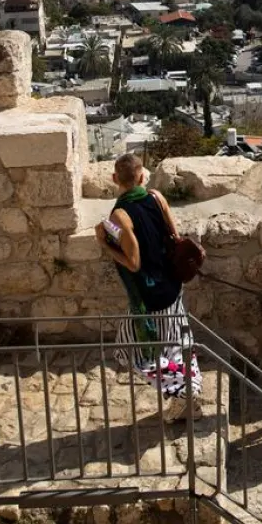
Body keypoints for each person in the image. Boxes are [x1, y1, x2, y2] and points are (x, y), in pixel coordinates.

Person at [97, 153, 202, 418]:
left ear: (114, 179)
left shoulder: (120, 215)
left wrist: (103, 243)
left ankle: (185, 392)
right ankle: (188, 397)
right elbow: (175, 239)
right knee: (178, 342)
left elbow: (133, 263)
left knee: (134, 351)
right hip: (174, 284)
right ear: (142, 177)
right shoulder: (157, 197)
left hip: (150, 297)